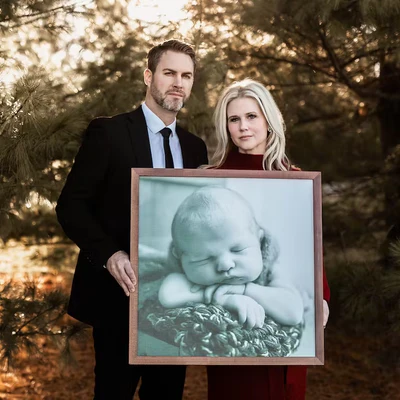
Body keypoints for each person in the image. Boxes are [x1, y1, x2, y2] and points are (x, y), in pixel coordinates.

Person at [56, 39, 208, 400]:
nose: (178, 83)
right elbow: (71, 206)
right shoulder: (109, 133)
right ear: (148, 76)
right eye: (169, 73)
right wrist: (109, 254)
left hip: (175, 303)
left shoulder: (195, 147)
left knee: (166, 395)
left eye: (186, 76)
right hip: (118, 296)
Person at [206, 79, 331, 400]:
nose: (243, 127)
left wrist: (322, 297)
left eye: (251, 116)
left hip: (287, 309)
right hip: (234, 319)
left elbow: (310, 247)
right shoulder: (211, 179)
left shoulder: (296, 179)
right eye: (234, 119)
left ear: (268, 120)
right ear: (225, 126)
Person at [158, 185, 304, 329]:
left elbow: (294, 313)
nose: (225, 265)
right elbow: (168, 296)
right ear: (181, 258)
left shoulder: (269, 266)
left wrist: (245, 290)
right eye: (204, 259)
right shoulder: (184, 267)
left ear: (259, 242)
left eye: (237, 250)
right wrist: (224, 298)